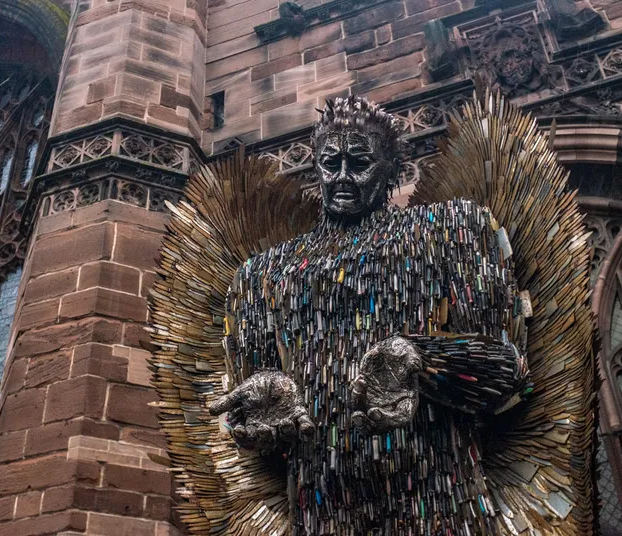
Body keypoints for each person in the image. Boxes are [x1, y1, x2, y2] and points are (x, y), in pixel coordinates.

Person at [209, 96, 529, 535]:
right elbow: (239, 417)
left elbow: (508, 369)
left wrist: (421, 359)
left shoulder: (450, 231)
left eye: (358, 162)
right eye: (329, 162)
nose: (341, 176)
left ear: (391, 169)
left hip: (439, 500)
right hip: (321, 509)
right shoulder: (261, 275)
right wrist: (260, 410)